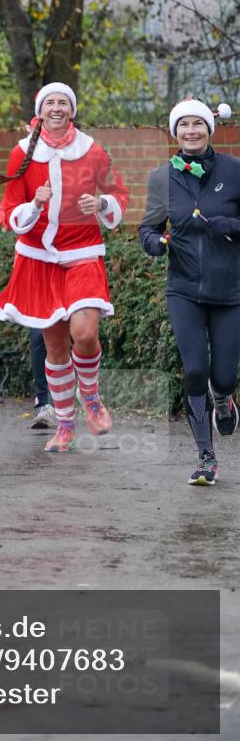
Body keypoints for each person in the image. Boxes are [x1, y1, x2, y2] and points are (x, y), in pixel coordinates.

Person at [0, 83, 129, 453]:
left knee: (85, 333)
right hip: (39, 260)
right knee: (54, 347)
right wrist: (34, 205)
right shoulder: (22, 153)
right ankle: (65, 425)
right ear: (40, 110)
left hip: (83, 253)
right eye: (49, 102)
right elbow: (8, 211)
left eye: (63, 102)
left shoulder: (91, 149)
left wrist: (101, 203)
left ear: (72, 110)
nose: (56, 108)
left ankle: (91, 396)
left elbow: (119, 194)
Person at [139, 97, 239, 486]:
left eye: (198, 124)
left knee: (224, 376)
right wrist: (154, 243)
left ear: (209, 130)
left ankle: (224, 397)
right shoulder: (161, 178)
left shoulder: (234, 171)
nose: (191, 131)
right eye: (184, 125)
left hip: (230, 290)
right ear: (175, 132)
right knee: (195, 370)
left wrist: (230, 224)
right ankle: (205, 457)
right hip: (183, 290)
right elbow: (148, 228)